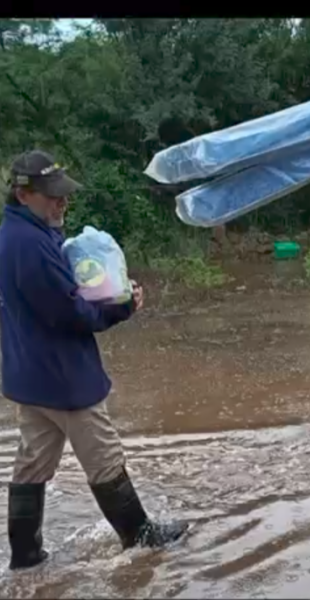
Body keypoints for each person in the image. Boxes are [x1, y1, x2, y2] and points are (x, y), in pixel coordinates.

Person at [1, 150, 187, 571]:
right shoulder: (29, 244)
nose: (62, 203)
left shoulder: (18, 234)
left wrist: (108, 290)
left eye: (64, 195)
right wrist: (122, 308)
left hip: (30, 376)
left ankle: (26, 557)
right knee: (104, 457)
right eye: (53, 196)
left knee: (31, 465)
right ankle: (140, 539)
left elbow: (63, 293)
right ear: (23, 193)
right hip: (64, 378)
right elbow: (70, 312)